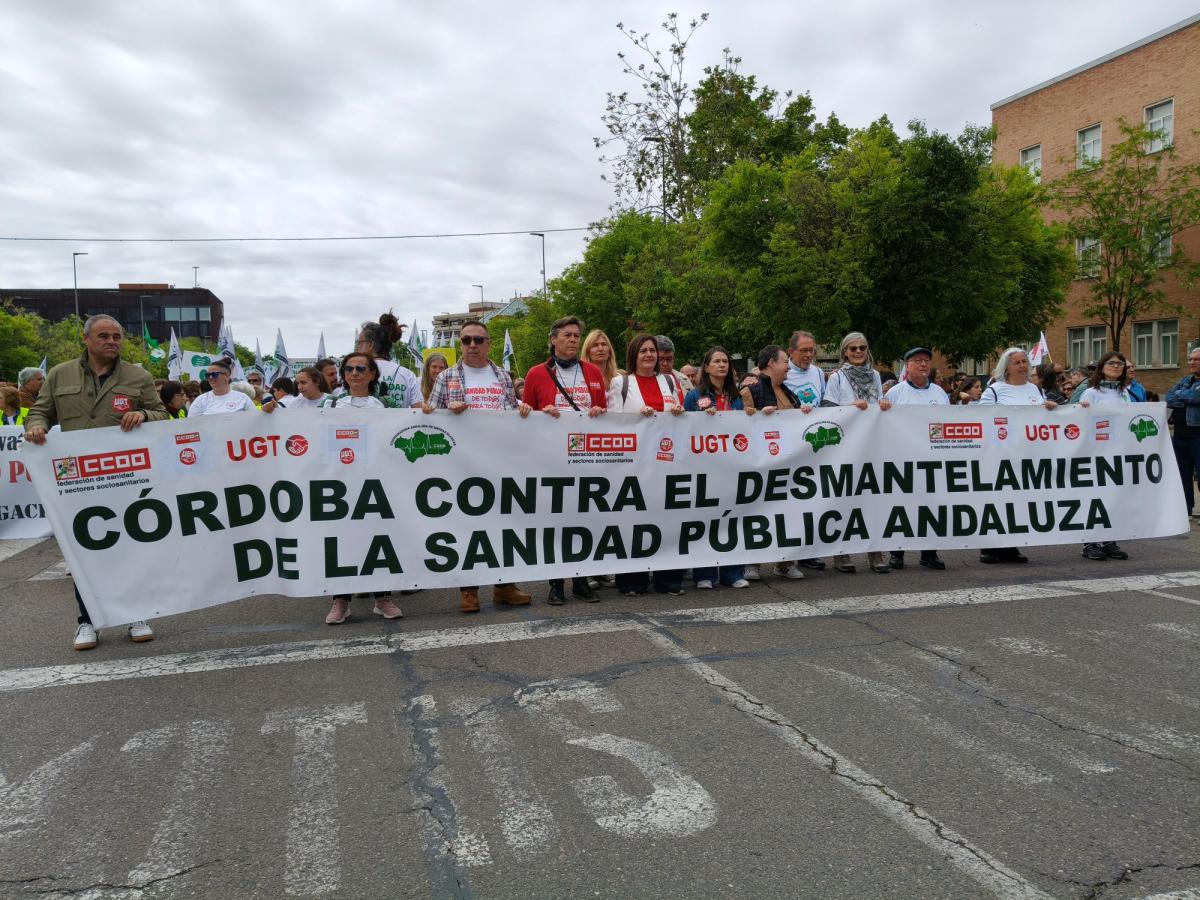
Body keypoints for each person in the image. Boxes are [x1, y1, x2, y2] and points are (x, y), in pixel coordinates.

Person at [24, 314, 167, 650]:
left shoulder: (138, 375)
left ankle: (136, 613)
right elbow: (40, 411)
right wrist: (36, 426)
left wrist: (144, 414)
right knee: (84, 551)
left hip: (125, 477)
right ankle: (87, 620)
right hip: (77, 480)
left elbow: (161, 413)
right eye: (104, 335)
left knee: (130, 547)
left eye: (117, 336)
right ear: (86, 339)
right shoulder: (60, 374)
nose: (112, 341)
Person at [425, 320, 534, 613]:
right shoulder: (446, 376)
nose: (472, 345)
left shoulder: (502, 375)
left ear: (489, 344)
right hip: (462, 465)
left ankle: (504, 586)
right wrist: (447, 412)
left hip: (500, 461)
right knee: (467, 527)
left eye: (478, 340)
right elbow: (429, 417)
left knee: (505, 524)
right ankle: (469, 590)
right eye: (466, 340)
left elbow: (511, 412)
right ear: (460, 344)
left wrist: (523, 409)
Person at [523, 316, 608, 605]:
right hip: (551, 459)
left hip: (586, 457)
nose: (573, 340)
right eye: (567, 335)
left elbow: (604, 411)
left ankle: (581, 580)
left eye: (576, 335)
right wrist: (540, 412)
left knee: (583, 519)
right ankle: (556, 583)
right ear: (553, 340)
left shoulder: (593, 372)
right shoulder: (536, 373)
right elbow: (526, 417)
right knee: (556, 522)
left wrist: (598, 410)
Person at [321, 353, 404, 625]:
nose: (354, 373)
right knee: (342, 539)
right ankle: (341, 600)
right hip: (340, 481)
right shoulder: (330, 402)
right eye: (349, 369)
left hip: (377, 478)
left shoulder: (386, 403)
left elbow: (399, 430)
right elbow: (302, 426)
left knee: (379, 537)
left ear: (372, 374)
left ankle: (382, 598)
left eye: (360, 368)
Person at [608, 334, 685, 595]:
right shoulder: (621, 383)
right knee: (634, 522)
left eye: (652, 351)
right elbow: (613, 421)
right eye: (643, 351)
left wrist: (677, 411)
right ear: (634, 355)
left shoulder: (669, 381)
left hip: (665, 462)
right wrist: (635, 419)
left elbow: (681, 416)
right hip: (634, 464)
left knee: (666, 520)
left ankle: (668, 579)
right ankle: (632, 580)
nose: (649, 355)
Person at [976, 347, 1057, 564]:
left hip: (1027, 454)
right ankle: (990, 547)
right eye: (1017, 362)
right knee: (997, 500)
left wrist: (1051, 409)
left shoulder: (1035, 390)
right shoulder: (995, 390)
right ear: (1007, 367)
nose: (1022, 366)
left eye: (1024, 362)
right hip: (1000, 454)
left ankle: (1011, 545)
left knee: (1019, 501)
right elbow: (982, 419)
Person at [824, 332, 892, 574]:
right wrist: (849, 407)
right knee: (844, 499)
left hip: (871, 445)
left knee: (872, 498)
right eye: (852, 348)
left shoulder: (875, 376)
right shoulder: (837, 378)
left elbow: (880, 403)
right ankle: (841, 554)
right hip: (846, 446)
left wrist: (883, 405)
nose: (858, 352)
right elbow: (827, 409)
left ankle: (875, 551)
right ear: (845, 352)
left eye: (862, 347)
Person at [684, 346, 749, 590]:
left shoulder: (737, 398)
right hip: (704, 468)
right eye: (717, 361)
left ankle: (733, 573)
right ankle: (705, 573)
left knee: (733, 520)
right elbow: (685, 429)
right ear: (707, 366)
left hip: (732, 468)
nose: (722, 365)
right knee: (706, 521)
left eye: (725, 361)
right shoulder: (694, 396)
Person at [884, 348, 949, 571]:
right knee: (901, 506)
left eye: (926, 361)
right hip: (903, 457)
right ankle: (897, 552)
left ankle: (929, 552)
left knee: (930, 505)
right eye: (918, 361)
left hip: (932, 458)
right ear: (907, 366)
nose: (923, 365)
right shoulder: (896, 393)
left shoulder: (940, 393)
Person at [1077, 351, 1134, 561]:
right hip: (1096, 452)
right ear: (1102, 367)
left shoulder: (1125, 392)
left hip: (1118, 451)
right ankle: (1090, 541)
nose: (1117, 367)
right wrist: (1080, 409)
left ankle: (1110, 539)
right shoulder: (1091, 392)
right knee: (1094, 497)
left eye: (1120, 364)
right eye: (1112, 363)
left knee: (1114, 496)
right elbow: (1077, 418)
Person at [355, 312, 421, 408]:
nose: (357, 347)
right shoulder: (407, 375)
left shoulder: (354, 373)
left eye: (359, 342)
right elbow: (419, 408)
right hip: (400, 423)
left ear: (370, 345)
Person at [1166, 347, 1200, 520]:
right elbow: (1169, 398)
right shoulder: (1186, 380)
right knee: (1182, 475)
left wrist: (1186, 396)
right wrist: (1187, 396)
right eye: (1190, 359)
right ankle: (1186, 511)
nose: (1192, 362)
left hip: (1197, 437)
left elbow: (1196, 397)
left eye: (1196, 359)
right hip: (1179, 436)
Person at [187, 358, 257, 415]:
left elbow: (254, 421)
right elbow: (192, 426)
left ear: (227, 376)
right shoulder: (200, 400)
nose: (210, 377)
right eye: (207, 375)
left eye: (214, 374)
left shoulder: (243, 398)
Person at [784, 330, 825, 409]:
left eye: (811, 350)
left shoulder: (818, 372)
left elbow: (823, 401)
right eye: (804, 350)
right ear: (791, 351)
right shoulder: (781, 372)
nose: (809, 354)